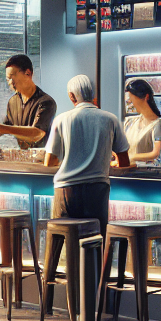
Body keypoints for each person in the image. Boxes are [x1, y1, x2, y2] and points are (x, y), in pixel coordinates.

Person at [43, 74, 130, 309]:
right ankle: (95, 304)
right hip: (97, 192)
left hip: (65, 193)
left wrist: (70, 156)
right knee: (95, 246)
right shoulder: (110, 119)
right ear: (94, 94)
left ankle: (48, 304)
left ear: (71, 97)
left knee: (59, 244)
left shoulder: (62, 119)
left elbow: (49, 161)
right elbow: (123, 160)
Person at [0, 54, 57, 148]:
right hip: (22, 157)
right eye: (7, 79)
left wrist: (3, 128)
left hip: (41, 158)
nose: (10, 83)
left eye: (12, 77)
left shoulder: (46, 102)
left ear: (28, 73)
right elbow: (6, 128)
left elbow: (37, 134)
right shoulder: (12, 101)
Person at [122, 78, 161, 163]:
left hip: (145, 173)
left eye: (132, 99)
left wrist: (132, 157)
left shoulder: (157, 125)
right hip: (127, 170)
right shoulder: (130, 122)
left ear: (146, 97)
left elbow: (155, 153)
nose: (130, 103)